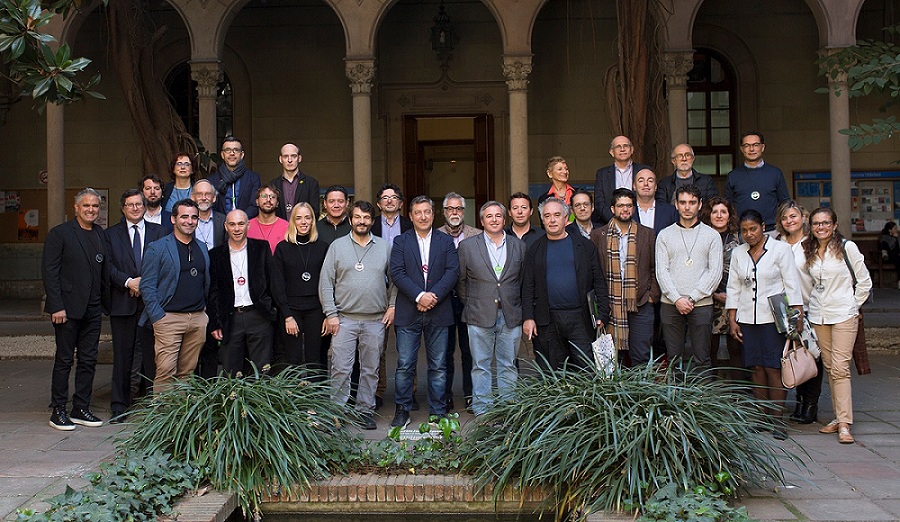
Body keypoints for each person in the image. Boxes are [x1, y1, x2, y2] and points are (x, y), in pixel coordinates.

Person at [726, 210, 804, 440]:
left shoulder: (780, 250)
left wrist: (797, 315)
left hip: (773, 318)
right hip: (747, 318)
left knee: (773, 367)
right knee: (756, 367)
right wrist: (732, 318)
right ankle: (761, 417)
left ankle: (778, 420)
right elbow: (733, 286)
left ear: (762, 226)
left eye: (753, 229)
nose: (749, 234)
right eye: (744, 230)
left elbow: (791, 283)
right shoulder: (739, 253)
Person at [319, 201, 396, 430]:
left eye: (366, 218)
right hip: (344, 318)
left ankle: (365, 410)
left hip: (375, 319)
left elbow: (395, 281)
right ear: (350, 219)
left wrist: (392, 306)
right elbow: (326, 282)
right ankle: (337, 412)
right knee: (340, 368)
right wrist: (331, 314)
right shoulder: (337, 246)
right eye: (358, 217)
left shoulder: (384, 247)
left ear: (372, 220)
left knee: (370, 369)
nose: (362, 221)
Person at [800, 208, 872, 444]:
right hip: (819, 314)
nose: (821, 227)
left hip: (843, 315)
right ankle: (838, 416)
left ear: (834, 225)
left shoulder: (847, 247)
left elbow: (864, 281)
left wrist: (853, 305)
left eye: (825, 223)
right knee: (831, 367)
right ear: (811, 226)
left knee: (840, 368)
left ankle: (844, 423)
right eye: (816, 223)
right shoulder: (809, 249)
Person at [43, 188, 109, 430]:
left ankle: (81, 407)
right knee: (64, 360)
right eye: (86, 205)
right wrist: (56, 306)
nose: (91, 210)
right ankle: (58, 409)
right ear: (76, 208)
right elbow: (50, 272)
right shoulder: (60, 234)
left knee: (88, 360)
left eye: (95, 206)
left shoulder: (100, 234)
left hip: (93, 309)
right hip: (67, 310)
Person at [389, 196, 459, 428]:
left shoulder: (445, 241)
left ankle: (438, 411)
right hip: (409, 311)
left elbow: (452, 272)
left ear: (433, 214)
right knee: (405, 365)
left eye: (427, 212)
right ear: (410, 216)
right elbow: (397, 273)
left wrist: (433, 296)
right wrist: (420, 296)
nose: (422, 216)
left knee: (438, 365)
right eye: (417, 212)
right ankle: (402, 409)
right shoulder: (401, 241)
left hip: (439, 311)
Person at [522, 197, 609, 370]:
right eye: (547, 216)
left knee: (585, 368)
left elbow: (599, 281)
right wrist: (528, 318)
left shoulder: (584, 246)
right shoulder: (535, 249)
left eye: (557, 215)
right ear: (542, 219)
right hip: (548, 320)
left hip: (580, 318)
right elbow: (528, 286)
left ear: (566, 217)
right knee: (552, 370)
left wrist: (603, 314)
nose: (552, 220)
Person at [457, 201, 525, 416]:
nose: (494, 220)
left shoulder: (518, 246)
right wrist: (474, 302)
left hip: (510, 314)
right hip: (479, 314)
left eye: (498, 216)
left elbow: (522, 280)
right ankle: (483, 410)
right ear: (481, 221)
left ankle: (508, 408)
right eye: (489, 216)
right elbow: (461, 281)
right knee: (480, 365)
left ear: (504, 219)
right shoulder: (467, 246)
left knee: (508, 365)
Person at [105, 189, 165, 422]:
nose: (135, 208)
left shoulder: (160, 232)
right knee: (122, 356)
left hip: (152, 304)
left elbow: (165, 263)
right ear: (123, 208)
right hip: (123, 302)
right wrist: (128, 282)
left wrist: (144, 284)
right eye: (130, 205)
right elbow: (108, 266)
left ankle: (154, 405)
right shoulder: (110, 235)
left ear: (144, 206)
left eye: (139, 204)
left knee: (153, 356)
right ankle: (119, 406)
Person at [140, 199, 210, 392]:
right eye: (184, 216)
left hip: (197, 319)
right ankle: (162, 410)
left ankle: (180, 411)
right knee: (165, 372)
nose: (190, 221)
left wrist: (203, 313)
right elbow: (147, 285)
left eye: (194, 217)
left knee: (187, 373)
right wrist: (158, 317)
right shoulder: (157, 248)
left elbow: (205, 280)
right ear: (173, 219)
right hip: (168, 319)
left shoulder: (202, 247)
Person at [655, 185, 723, 372]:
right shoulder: (664, 235)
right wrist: (677, 299)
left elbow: (715, 273)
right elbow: (661, 271)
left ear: (700, 205)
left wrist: (692, 298)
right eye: (683, 202)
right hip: (671, 303)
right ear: (676, 205)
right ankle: (675, 392)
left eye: (692, 202)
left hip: (701, 303)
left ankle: (702, 392)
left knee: (702, 357)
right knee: (673, 358)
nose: (687, 207)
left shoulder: (712, 235)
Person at [590, 188, 658, 367]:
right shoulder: (598, 235)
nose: (625, 209)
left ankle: (640, 387)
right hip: (609, 306)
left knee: (641, 357)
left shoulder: (647, 234)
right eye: (620, 205)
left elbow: (655, 267)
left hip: (640, 303)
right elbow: (594, 272)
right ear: (613, 209)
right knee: (610, 361)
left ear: (634, 208)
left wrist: (651, 296)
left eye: (629, 205)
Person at [208, 210, 278, 376]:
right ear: (226, 227)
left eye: (241, 224)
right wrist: (215, 322)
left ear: (248, 225)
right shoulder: (215, 254)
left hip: (258, 315)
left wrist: (272, 310)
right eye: (232, 224)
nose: (237, 228)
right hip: (231, 318)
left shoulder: (261, 248)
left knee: (262, 370)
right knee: (231, 371)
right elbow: (213, 291)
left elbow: (273, 281)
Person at [775, 200, 822, 424]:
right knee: (792, 354)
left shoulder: (813, 243)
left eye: (793, 216)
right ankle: (799, 401)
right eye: (785, 218)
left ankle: (810, 405)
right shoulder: (777, 242)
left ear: (803, 217)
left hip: (810, 306)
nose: (789, 221)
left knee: (811, 355)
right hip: (783, 309)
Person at [272, 202, 329, 375]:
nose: (303, 222)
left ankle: (314, 392)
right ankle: (293, 392)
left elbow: (328, 282)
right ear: (293, 221)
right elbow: (277, 284)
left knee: (314, 359)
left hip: (316, 310)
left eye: (307, 218)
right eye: (299, 218)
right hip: (291, 310)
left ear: (313, 221)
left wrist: (328, 314)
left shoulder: (323, 247)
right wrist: (287, 315)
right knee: (292, 359)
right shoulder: (282, 248)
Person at [437, 192, 480, 411]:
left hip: (470, 301)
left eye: (458, 209)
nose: (454, 212)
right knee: (444, 352)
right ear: (444, 212)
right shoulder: (435, 235)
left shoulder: (477, 235)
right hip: (443, 302)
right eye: (450, 209)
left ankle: (471, 395)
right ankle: (445, 397)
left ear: (464, 211)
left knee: (469, 350)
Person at [370, 183, 412, 409]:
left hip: (406, 289)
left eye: (394, 197)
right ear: (379, 204)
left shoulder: (409, 225)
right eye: (385, 197)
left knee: (407, 345)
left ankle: (409, 391)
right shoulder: (371, 224)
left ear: (400, 203)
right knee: (378, 345)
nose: (389, 201)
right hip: (378, 289)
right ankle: (377, 391)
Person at [699, 196, 743, 380]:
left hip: (736, 299)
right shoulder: (701, 237)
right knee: (709, 347)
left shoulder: (740, 237)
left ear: (729, 215)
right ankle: (711, 388)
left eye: (723, 212)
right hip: (708, 298)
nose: (719, 215)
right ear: (708, 215)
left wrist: (732, 296)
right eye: (715, 212)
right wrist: (714, 294)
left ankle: (738, 390)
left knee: (736, 346)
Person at [191, 179, 226, 379]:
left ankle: (209, 386)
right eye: (199, 194)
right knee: (192, 346)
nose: (203, 197)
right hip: (193, 284)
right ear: (192, 197)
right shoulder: (186, 220)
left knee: (212, 341)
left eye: (207, 194)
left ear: (214, 198)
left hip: (217, 287)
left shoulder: (223, 221)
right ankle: (192, 389)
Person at [724, 131, 790, 233]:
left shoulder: (775, 173)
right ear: (742, 149)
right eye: (747, 145)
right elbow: (727, 206)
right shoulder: (733, 175)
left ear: (762, 147)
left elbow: (785, 203)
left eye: (755, 145)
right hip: (743, 231)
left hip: (771, 230)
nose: (751, 149)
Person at [593, 136, 650, 225]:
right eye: (618, 147)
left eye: (625, 146)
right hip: (611, 224)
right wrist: (614, 220)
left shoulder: (644, 171)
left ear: (632, 150)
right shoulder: (602, 174)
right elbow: (599, 202)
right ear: (612, 152)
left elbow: (650, 198)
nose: (622, 149)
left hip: (640, 223)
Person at [209, 136, 262, 219]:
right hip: (221, 224)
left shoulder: (253, 178)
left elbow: (254, 205)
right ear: (222, 155)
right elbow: (211, 206)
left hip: (245, 223)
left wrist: (239, 220)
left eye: (236, 150)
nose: (232, 153)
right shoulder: (212, 180)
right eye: (228, 150)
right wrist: (225, 222)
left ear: (242, 154)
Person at [268, 143, 320, 220]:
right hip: (280, 227)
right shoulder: (273, 185)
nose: (290, 160)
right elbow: (269, 211)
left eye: (293, 156)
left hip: (303, 227)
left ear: (299, 158)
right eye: (285, 156)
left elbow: (315, 212)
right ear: (280, 159)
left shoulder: (311, 183)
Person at [633, 168, 677, 235]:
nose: (646, 184)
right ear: (634, 186)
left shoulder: (670, 211)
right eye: (641, 181)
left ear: (656, 186)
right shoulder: (627, 211)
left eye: (650, 181)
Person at [247, 186, 289, 254]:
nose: (268, 200)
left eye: (272, 197)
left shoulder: (287, 227)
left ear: (277, 203)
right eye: (264, 196)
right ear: (257, 201)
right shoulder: (247, 227)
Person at [878, 221, 900, 288]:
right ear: (890, 230)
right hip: (888, 257)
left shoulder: (898, 236)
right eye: (895, 228)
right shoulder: (884, 237)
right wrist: (894, 238)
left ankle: (884, 252)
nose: (896, 230)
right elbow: (890, 246)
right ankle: (884, 253)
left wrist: (897, 238)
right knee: (884, 244)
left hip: (896, 255)